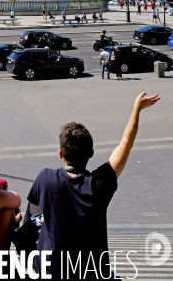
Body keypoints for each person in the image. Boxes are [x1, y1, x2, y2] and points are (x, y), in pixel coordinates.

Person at [27, 92, 160, 279]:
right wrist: (136, 110)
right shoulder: (99, 185)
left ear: (60, 154)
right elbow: (125, 144)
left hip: (51, 271)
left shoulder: (45, 179)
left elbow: (31, 217)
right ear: (91, 153)